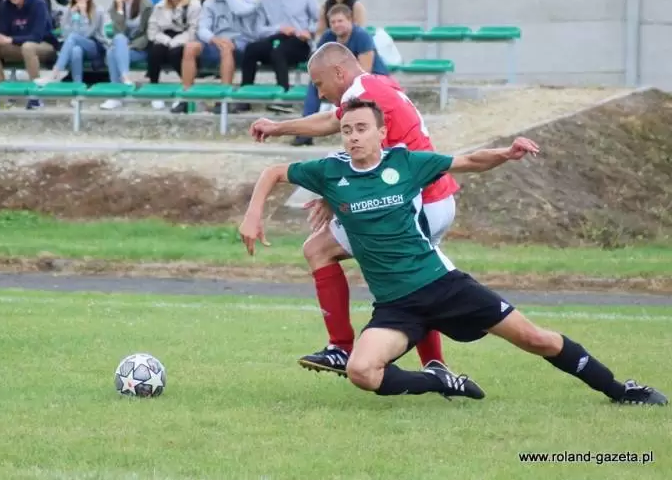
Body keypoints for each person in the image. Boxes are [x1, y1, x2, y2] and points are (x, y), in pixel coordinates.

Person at [240, 98, 668, 406]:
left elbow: (469, 161)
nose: (353, 136)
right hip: (395, 307)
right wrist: (253, 215)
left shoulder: (406, 163)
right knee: (361, 372)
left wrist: (506, 153)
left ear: (381, 132)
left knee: (536, 339)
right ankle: (441, 381)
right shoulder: (331, 171)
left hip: (444, 287)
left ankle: (619, 390)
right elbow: (274, 171)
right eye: (347, 130)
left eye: (361, 128)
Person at [249, 42, 457, 378]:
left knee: (319, 250)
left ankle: (341, 348)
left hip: (417, 202)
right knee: (415, 281)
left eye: (319, 84)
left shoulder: (362, 93)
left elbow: (360, 149)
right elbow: (336, 124)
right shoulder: (376, 85)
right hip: (436, 198)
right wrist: (279, 128)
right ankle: (435, 366)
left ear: (338, 72)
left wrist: (337, 196)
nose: (320, 92)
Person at [292, 3, 388, 145]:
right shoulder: (328, 36)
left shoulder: (362, 36)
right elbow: (319, 63)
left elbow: (365, 71)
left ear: (350, 20)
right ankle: (305, 134)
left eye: (340, 21)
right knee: (316, 84)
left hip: (374, 77)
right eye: (333, 22)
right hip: (344, 77)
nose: (336, 25)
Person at [240, 0, 319, 113]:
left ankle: (284, 98)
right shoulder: (265, 1)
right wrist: (278, 28)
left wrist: (308, 31)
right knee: (251, 49)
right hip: (275, 39)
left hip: (299, 42)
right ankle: (244, 98)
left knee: (279, 52)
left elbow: (319, 20)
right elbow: (259, 30)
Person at [180, 0, 256, 114]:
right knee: (190, 47)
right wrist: (214, 39)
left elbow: (239, 10)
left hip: (240, 44)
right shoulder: (211, 1)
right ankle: (186, 98)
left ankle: (223, 100)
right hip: (215, 42)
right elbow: (202, 28)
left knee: (226, 47)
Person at [0, 0, 59, 109]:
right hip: (19, 46)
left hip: (44, 45)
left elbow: (36, 36)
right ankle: (2, 95)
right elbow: (3, 32)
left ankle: (35, 96)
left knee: (28, 47)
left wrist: (10, 39)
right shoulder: (5, 6)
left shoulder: (38, 4)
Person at [146, 0, 201, 113]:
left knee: (176, 53)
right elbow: (152, 29)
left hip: (184, 37)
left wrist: (177, 41)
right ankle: (154, 89)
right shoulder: (160, 6)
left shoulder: (194, 5)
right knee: (155, 52)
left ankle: (186, 88)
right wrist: (166, 40)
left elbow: (193, 29)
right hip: (164, 36)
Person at [36, 0, 107, 86]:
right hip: (76, 44)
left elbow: (86, 34)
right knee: (75, 50)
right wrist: (74, 16)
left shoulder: (98, 10)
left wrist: (83, 14)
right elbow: (65, 34)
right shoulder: (69, 10)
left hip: (95, 46)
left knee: (74, 38)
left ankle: (54, 73)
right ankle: (77, 86)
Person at [100, 0, 153, 111]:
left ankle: (116, 95)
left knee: (112, 52)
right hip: (122, 47)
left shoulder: (147, 5)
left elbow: (149, 33)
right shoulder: (115, 5)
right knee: (115, 46)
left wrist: (131, 45)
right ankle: (124, 78)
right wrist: (119, 8)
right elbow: (119, 32)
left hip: (140, 48)